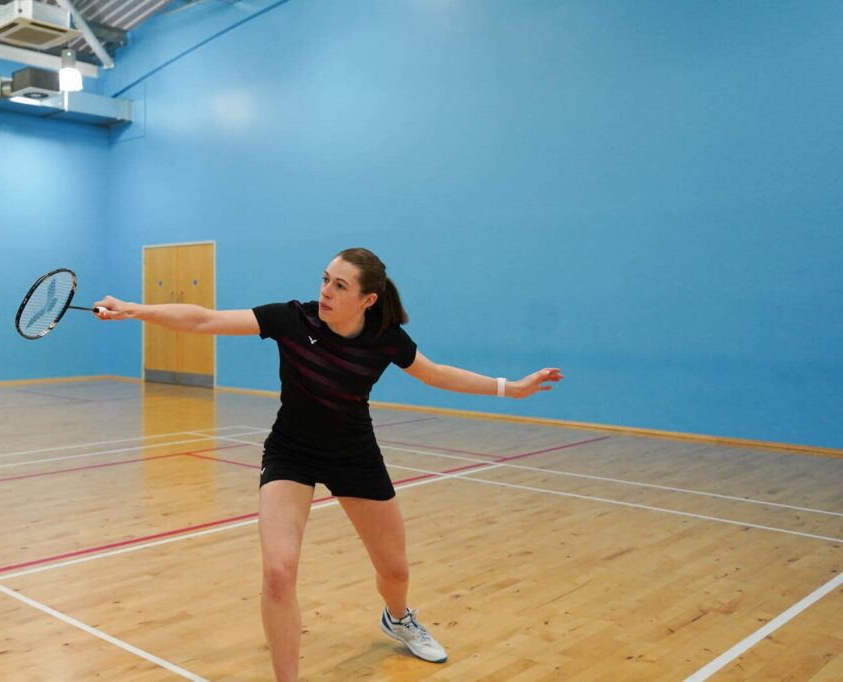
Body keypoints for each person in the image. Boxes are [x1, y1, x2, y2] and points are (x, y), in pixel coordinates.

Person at [93, 247, 563, 681]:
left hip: (353, 454)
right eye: (325, 279)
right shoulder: (291, 319)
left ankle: (398, 618)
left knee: (395, 570)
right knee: (278, 571)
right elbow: (204, 319)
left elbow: (436, 374)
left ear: (367, 299)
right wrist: (136, 310)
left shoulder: (385, 339)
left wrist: (511, 387)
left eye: (340, 285)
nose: (325, 291)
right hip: (290, 451)